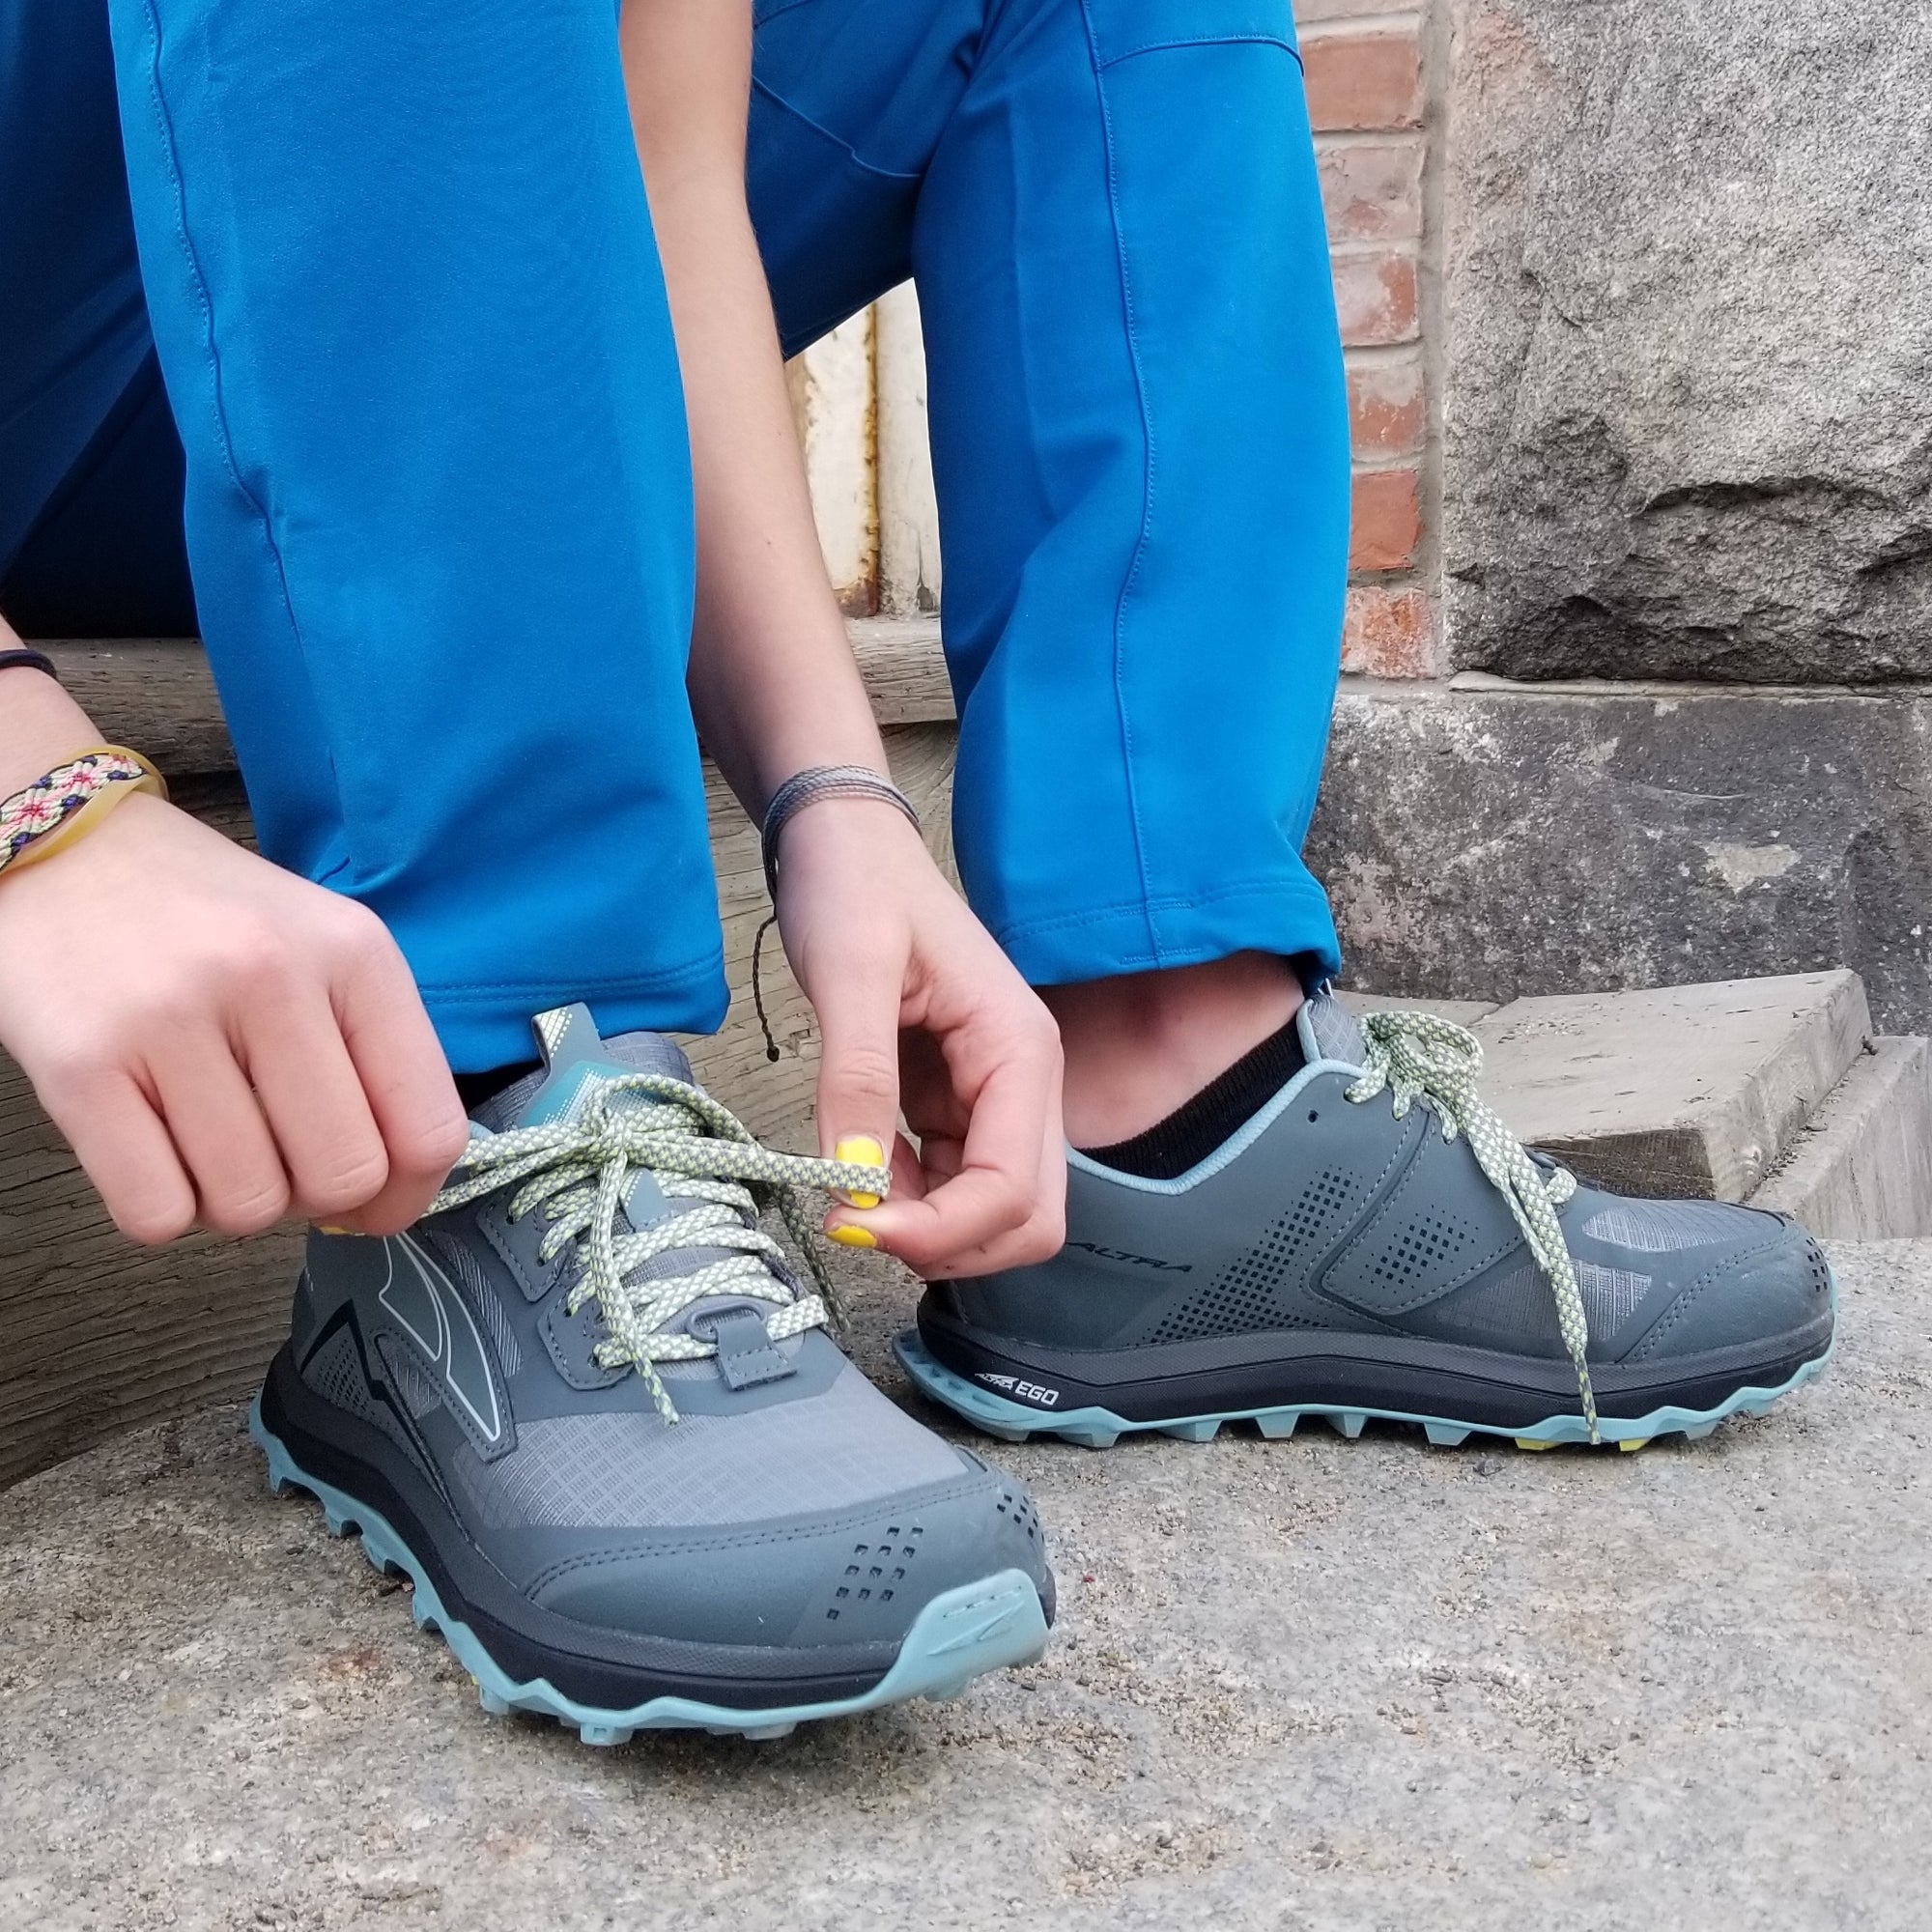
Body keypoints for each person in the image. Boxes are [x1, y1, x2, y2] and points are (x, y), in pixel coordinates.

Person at [0, 0, 1833, 1742]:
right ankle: (501, 1091)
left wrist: (835, 800)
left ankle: (1174, 1075)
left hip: (316, 289)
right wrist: (42, 809)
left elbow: (658, 182)